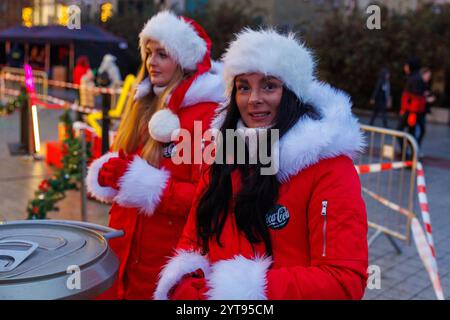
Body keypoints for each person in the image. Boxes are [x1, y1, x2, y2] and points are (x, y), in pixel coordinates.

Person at [155, 29, 368, 300]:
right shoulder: (224, 156)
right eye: (244, 86)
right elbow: (194, 238)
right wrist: (185, 280)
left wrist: (239, 293)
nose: (254, 98)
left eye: (269, 85)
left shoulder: (329, 168)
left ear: (292, 93)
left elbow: (343, 280)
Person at [86, 11, 225, 299]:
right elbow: (121, 164)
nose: (151, 61)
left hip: (163, 265)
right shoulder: (143, 105)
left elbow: (213, 198)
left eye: (162, 54)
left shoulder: (209, 116)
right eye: (149, 52)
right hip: (122, 259)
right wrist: (107, 173)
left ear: (184, 61)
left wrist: (144, 184)